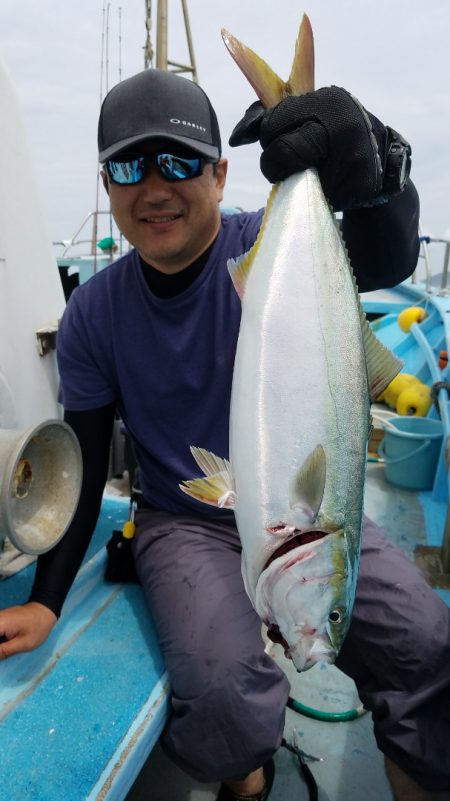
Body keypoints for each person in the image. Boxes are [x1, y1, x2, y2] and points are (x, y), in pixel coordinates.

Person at [0, 68, 449, 801]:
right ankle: (249, 777)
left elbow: (387, 253)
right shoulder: (95, 316)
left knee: (426, 647)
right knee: (223, 696)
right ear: (107, 185)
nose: (154, 187)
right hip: (187, 516)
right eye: (127, 166)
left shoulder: (274, 245)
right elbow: (82, 459)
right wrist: (48, 599)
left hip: (314, 513)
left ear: (221, 173)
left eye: (178, 162)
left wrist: (377, 168)